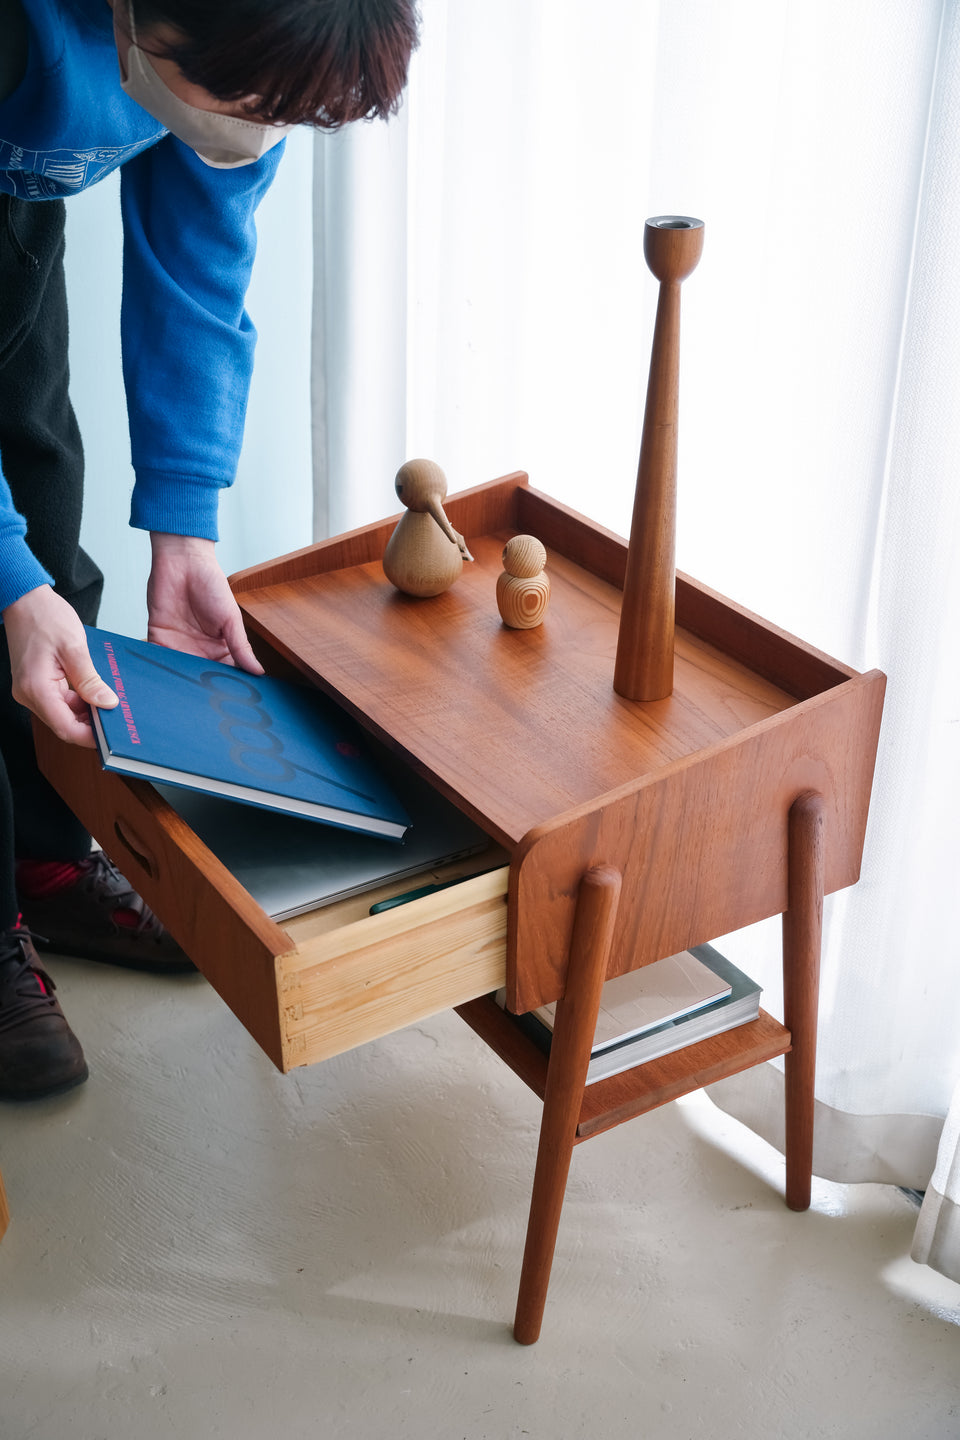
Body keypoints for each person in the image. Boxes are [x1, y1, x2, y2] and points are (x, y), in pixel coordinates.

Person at [0, 0, 419, 1099]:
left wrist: (184, 524)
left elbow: (195, 260)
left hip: (13, 208)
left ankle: (43, 861)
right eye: (237, 104)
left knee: (52, 547)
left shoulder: (242, 43)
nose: (252, 131)